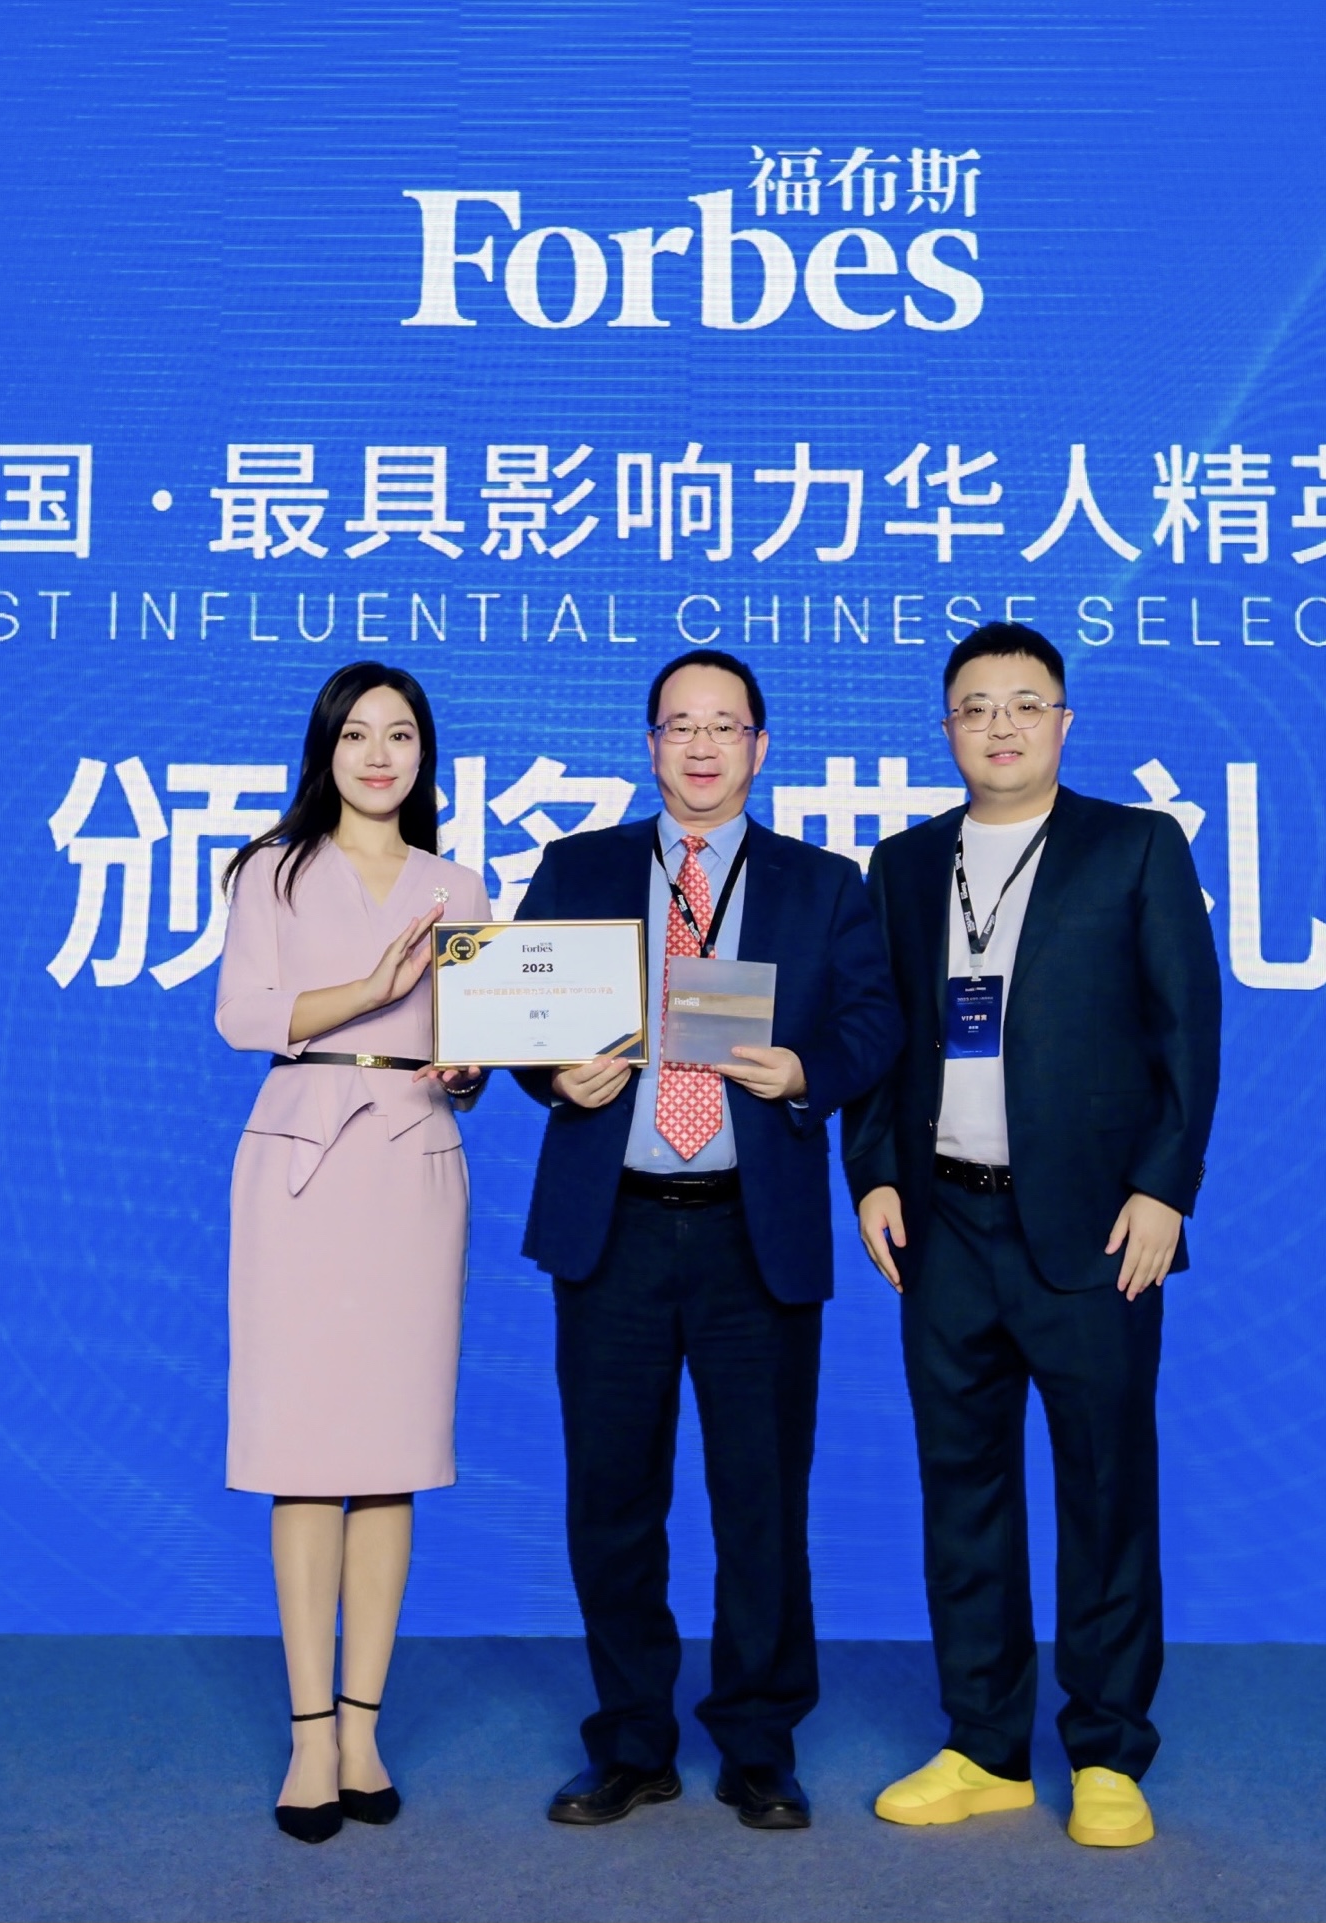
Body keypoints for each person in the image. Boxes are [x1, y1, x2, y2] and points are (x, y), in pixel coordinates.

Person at [843, 622, 1224, 1850]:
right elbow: (878, 1036)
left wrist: (1163, 1190)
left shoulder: (1135, 846)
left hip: (1095, 1228)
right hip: (942, 1222)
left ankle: (1107, 1751)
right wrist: (871, 1175)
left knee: (1106, 1491)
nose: (998, 725)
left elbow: (1187, 1031)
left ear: (1063, 723)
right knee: (962, 1492)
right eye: (974, 706)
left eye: (1023, 703)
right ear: (944, 728)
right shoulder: (904, 865)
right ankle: (984, 1747)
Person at [510, 649, 902, 1831]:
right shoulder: (577, 867)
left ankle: (758, 1744)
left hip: (751, 1232)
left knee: (760, 1500)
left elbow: (876, 1022)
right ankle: (631, 1741)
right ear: (649, 746)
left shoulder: (820, 883)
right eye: (677, 725)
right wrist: (550, 1074)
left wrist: (805, 1072)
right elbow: (518, 1015)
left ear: (759, 748)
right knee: (611, 1498)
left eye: (723, 726)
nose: (699, 745)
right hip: (615, 1228)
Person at [208, 661, 492, 1844]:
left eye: (402, 735)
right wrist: (368, 987)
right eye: (359, 734)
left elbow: (477, 1044)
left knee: (391, 1454)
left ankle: (364, 1726)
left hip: (414, 1160)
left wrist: (469, 1069)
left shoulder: (458, 884)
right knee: (303, 1453)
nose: (381, 755)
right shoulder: (270, 871)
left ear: (426, 755)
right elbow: (241, 1016)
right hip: (302, 1165)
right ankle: (309, 1734)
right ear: (324, 748)